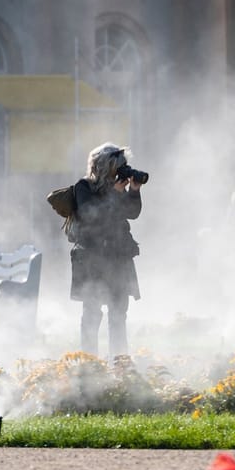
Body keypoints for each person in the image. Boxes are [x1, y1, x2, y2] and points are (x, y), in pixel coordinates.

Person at [68, 142, 143, 357]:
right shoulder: (84, 187)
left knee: (119, 312)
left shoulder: (118, 189)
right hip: (93, 259)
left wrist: (134, 192)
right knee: (92, 312)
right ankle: (89, 363)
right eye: (116, 167)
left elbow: (132, 212)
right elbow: (91, 216)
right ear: (102, 166)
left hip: (118, 257)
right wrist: (113, 195)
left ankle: (120, 363)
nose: (120, 172)